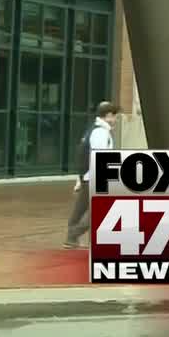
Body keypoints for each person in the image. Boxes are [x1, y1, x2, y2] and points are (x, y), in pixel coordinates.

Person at [63, 101, 119, 249]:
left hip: (88, 177)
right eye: (114, 116)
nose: (116, 120)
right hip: (95, 177)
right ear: (108, 116)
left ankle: (72, 238)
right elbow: (100, 156)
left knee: (81, 209)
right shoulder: (101, 132)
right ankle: (74, 234)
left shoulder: (93, 130)